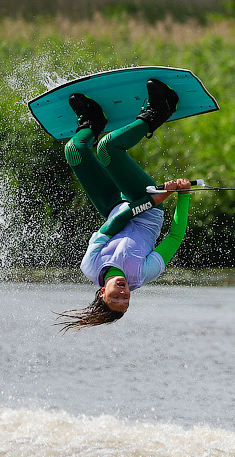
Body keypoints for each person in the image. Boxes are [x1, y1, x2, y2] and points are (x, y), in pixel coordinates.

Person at [56, 78, 191, 331]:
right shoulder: (142, 273)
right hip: (148, 212)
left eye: (115, 297)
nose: (122, 292)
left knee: (74, 150)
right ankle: (160, 110)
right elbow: (175, 236)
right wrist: (182, 194)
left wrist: (153, 198)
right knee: (108, 149)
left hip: (115, 208)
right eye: (126, 298)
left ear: (100, 294)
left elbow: (115, 223)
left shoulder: (91, 266)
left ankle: (92, 121)